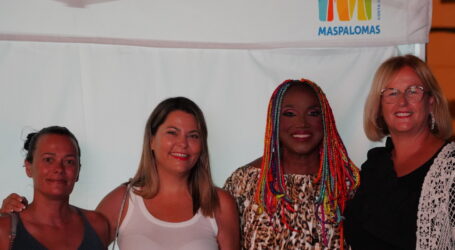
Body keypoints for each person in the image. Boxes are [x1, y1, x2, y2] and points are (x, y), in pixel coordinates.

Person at [1, 97, 239, 250]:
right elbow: (65, 234)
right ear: (152, 140)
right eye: (172, 133)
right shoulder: (124, 201)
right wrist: (14, 221)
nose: (183, 144)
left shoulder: (219, 204)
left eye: (193, 135)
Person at [224, 79, 360, 249]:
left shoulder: (348, 183)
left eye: (313, 113)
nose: (302, 123)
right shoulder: (243, 182)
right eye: (289, 113)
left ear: (326, 120)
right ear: (275, 121)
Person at [344, 55, 455, 249]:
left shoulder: (451, 167)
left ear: (431, 101)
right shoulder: (373, 167)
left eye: (413, 91)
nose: (402, 102)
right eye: (391, 93)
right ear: (379, 106)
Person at [0, 126, 110, 250]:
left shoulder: (98, 226)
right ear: (29, 167)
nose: (59, 169)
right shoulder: (5, 230)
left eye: (69, 161)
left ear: (78, 171)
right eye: (48, 159)